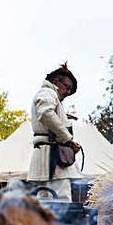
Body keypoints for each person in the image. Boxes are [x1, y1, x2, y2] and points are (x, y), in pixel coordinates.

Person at [27, 63, 83, 202]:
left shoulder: (48, 95)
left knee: (45, 204)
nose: (67, 93)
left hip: (49, 156)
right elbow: (45, 113)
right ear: (57, 82)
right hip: (53, 157)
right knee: (61, 203)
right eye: (67, 88)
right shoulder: (48, 92)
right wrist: (68, 139)